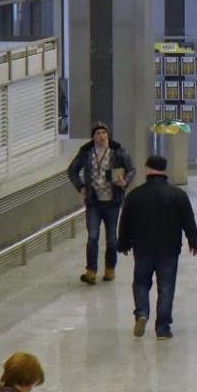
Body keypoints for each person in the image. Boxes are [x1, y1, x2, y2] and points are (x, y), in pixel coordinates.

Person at [117, 154, 197, 340]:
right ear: (165, 170)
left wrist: (123, 242)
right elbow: (188, 220)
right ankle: (162, 328)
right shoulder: (178, 195)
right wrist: (194, 241)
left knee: (140, 283)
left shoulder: (135, 195)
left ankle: (141, 313)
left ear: (147, 169)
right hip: (169, 248)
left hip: (143, 247)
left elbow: (125, 222)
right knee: (166, 287)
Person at [66, 122, 135, 285]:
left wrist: (125, 182)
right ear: (93, 137)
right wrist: (80, 187)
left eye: (104, 132)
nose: (101, 136)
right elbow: (72, 170)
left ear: (108, 135)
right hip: (94, 202)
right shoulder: (86, 152)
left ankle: (110, 268)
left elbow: (131, 169)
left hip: (112, 201)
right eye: (98, 133)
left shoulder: (118, 151)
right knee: (93, 236)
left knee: (111, 238)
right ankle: (91, 270)